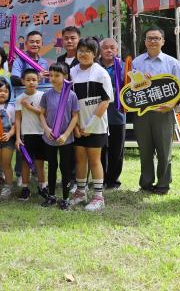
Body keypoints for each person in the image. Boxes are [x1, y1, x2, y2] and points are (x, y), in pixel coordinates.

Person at [132, 27, 180, 195]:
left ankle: (163, 184)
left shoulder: (172, 63)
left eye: (156, 38)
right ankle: (146, 183)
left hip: (164, 112)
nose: (153, 41)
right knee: (145, 150)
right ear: (145, 41)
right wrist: (140, 82)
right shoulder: (136, 62)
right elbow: (131, 88)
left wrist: (172, 106)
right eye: (149, 38)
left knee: (164, 150)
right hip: (142, 113)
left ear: (163, 41)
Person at [69, 38, 112, 211]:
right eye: (81, 50)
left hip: (97, 126)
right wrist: (77, 126)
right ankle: (80, 192)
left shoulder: (101, 73)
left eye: (88, 51)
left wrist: (90, 126)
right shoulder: (71, 72)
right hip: (77, 126)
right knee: (80, 159)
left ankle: (98, 196)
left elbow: (105, 102)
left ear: (95, 54)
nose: (83, 54)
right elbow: (69, 101)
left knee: (94, 160)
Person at [39, 63, 80, 209]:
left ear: (65, 77)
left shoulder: (72, 95)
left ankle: (65, 198)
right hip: (49, 139)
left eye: (57, 75)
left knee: (65, 168)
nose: (53, 78)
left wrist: (66, 134)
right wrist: (46, 129)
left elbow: (75, 116)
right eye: (51, 75)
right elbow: (41, 114)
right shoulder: (46, 95)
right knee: (51, 166)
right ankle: (51, 196)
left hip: (66, 140)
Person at [15, 69, 47, 201]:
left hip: (41, 133)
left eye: (34, 79)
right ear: (23, 81)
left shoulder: (42, 96)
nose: (31, 82)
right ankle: (25, 187)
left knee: (40, 162)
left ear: (38, 81)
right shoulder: (19, 98)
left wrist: (28, 106)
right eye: (28, 80)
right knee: (25, 163)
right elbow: (17, 119)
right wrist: (17, 137)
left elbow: (43, 113)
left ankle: (43, 186)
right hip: (26, 135)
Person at [99, 38, 126, 189]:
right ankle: (100, 179)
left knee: (117, 150)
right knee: (100, 149)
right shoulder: (94, 67)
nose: (109, 50)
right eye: (105, 48)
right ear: (100, 50)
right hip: (99, 115)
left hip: (117, 115)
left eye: (112, 48)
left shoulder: (124, 67)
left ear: (117, 50)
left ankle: (113, 181)